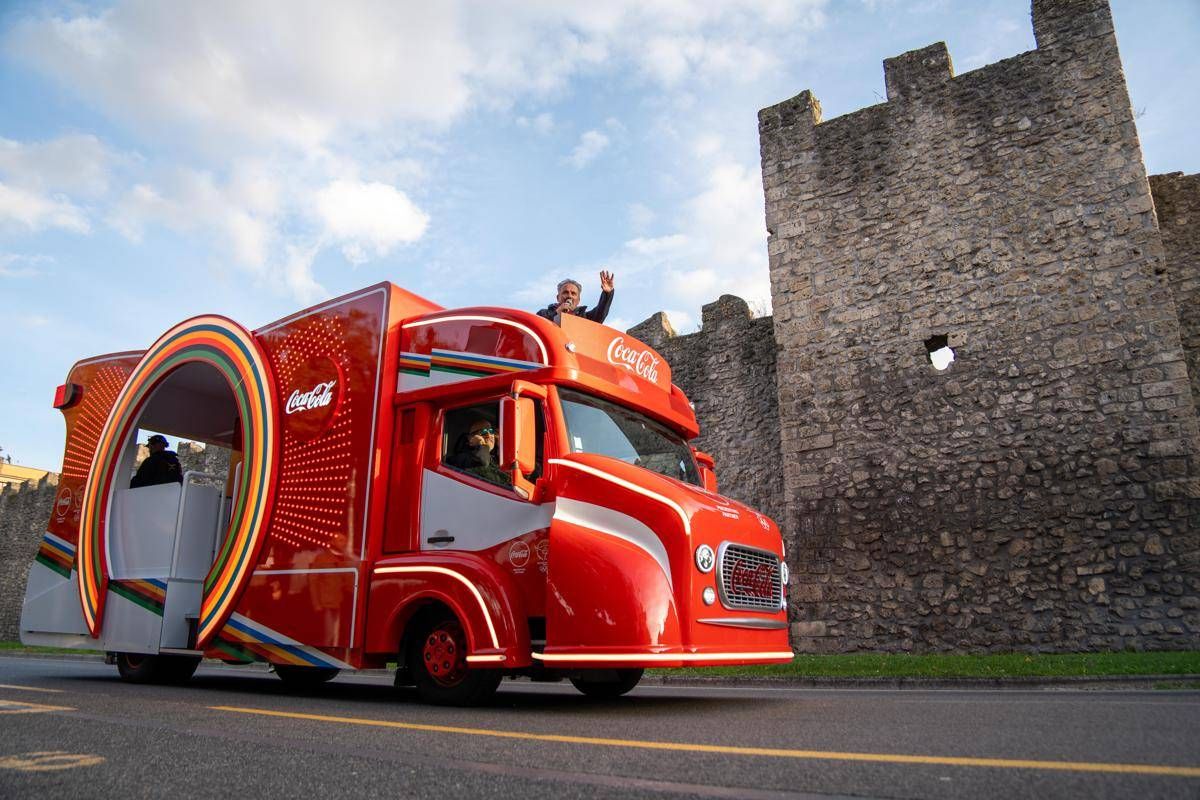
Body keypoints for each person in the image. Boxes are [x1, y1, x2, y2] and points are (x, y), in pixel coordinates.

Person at [446, 418, 511, 487]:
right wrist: (482, 444)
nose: (489, 435)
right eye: (484, 432)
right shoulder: (461, 459)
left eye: (491, 431)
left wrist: (500, 447)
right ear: (470, 438)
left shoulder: (494, 459)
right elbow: (482, 461)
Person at [536, 271, 614, 325]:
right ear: (558, 297)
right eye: (565, 292)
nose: (569, 296)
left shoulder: (585, 318)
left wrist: (607, 293)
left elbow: (601, 312)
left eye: (573, 294)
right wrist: (557, 313)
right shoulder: (543, 314)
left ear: (578, 300)